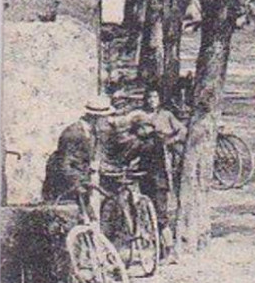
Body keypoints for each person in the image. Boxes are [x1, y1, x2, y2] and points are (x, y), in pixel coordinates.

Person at [123, 86, 186, 238]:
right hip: (146, 174)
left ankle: (167, 247)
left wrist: (170, 141)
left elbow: (182, 131)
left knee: (161, 215)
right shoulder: (140, 119)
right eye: (149, 97)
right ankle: (153, 238)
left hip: (161, 175)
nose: (152, 100)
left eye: (155, 97)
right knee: (146, 206)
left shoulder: (166, 116)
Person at [43, 94, 119, 205]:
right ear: (95, 118)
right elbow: (63, 165)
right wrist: (79, 182)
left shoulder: (93, 131)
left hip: (83, 179)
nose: (108, 121)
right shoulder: (73, 134)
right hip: (64, 185)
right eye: (105, 117)